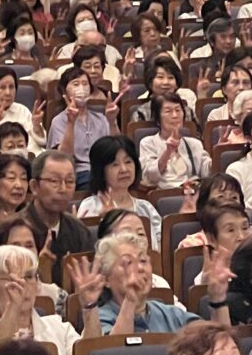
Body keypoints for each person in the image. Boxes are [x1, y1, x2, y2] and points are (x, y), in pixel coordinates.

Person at [95, 232, 232, 333]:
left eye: (143, 261)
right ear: (106, 279)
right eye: (128, 263)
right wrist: (130, 301)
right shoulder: (100, 319)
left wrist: (218, 299)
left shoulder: (171, 314)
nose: (140, 268)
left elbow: (218, 342)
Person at [23, 151, 96, 285]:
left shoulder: (78, 230)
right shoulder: (14, 230)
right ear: (34, 186)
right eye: (54, 181)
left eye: (69, 181)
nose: (63, 189)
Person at [76, 135, 162, 249]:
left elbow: (160, 251)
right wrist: (107, 223)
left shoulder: (146, 208)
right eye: (115, 164)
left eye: (128, 162)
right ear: (101, 171)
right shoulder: (90, 207)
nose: (124, 169)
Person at [47, 68, 118, 188]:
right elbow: (64, 157)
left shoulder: (101, 118)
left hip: (103, 171)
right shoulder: (59, 121)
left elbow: (117, 149)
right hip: (76, 174)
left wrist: (112, 122)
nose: (82, 88)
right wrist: (71, 123)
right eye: (76, 84)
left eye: (85, 84)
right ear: (64, 91)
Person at [140, 94, 211, 189]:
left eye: (178, 110)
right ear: (157, 117)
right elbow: (150, 176)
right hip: (164, 193)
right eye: (168, 111)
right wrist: (167, 152)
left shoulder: (194, 144)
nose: (175, 115)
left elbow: (207, 172)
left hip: (193, 191)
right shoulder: (148, 143)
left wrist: (218, 151)